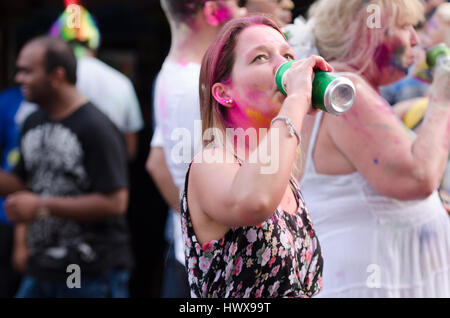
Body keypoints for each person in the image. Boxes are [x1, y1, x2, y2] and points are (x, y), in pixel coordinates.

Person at [299, 0, 450, 297]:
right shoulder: (346, 90)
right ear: (368, 33)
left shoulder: (347, 88)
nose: (416, 40)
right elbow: (418, 177)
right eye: (406, 27)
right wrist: (443, 96)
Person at [181, 15, 330, 298]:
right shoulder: (210, 163)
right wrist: (296, 98)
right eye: (261, 58)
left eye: (288, 55)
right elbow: (255, 201)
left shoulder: (284, 173)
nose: (283, 66)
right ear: (224, 93)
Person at [0, 36, 132, 298]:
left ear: (56, 76)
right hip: (42, 269)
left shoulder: (96, 128)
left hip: (86, 271)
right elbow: (24, 184)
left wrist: (40, 206)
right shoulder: (33, 121)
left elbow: (115, 202)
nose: (19, 79)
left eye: (27, 71)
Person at [146, 0, 246, 298]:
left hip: (191, 255)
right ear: (213, 10)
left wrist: (192, 219)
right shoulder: (203, 85)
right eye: (237, 4)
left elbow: (156, 162)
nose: (243, 12)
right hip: (219, 268)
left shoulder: (171, 73)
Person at [49, 5, 144, 160]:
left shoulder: (51, 81)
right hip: (110, 176)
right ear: (95, 40)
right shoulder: (121, 83)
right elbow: (130, 150)